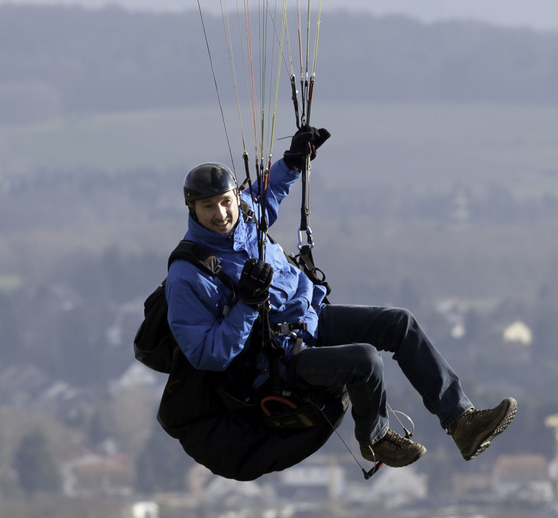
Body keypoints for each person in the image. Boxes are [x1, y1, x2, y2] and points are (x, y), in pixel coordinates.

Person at [165, 126, 516, 468]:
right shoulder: (187, 274)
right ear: (192, 209)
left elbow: (265, 195)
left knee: (398, 323)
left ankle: (461, 422)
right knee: (365, 361)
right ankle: (374, 438)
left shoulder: (245, 215)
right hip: (279, 360)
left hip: (310, 317)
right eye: (208, 206)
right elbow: (207, 354)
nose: (221, 213)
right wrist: (246, 305)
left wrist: (292, 162)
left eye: (226, 202)